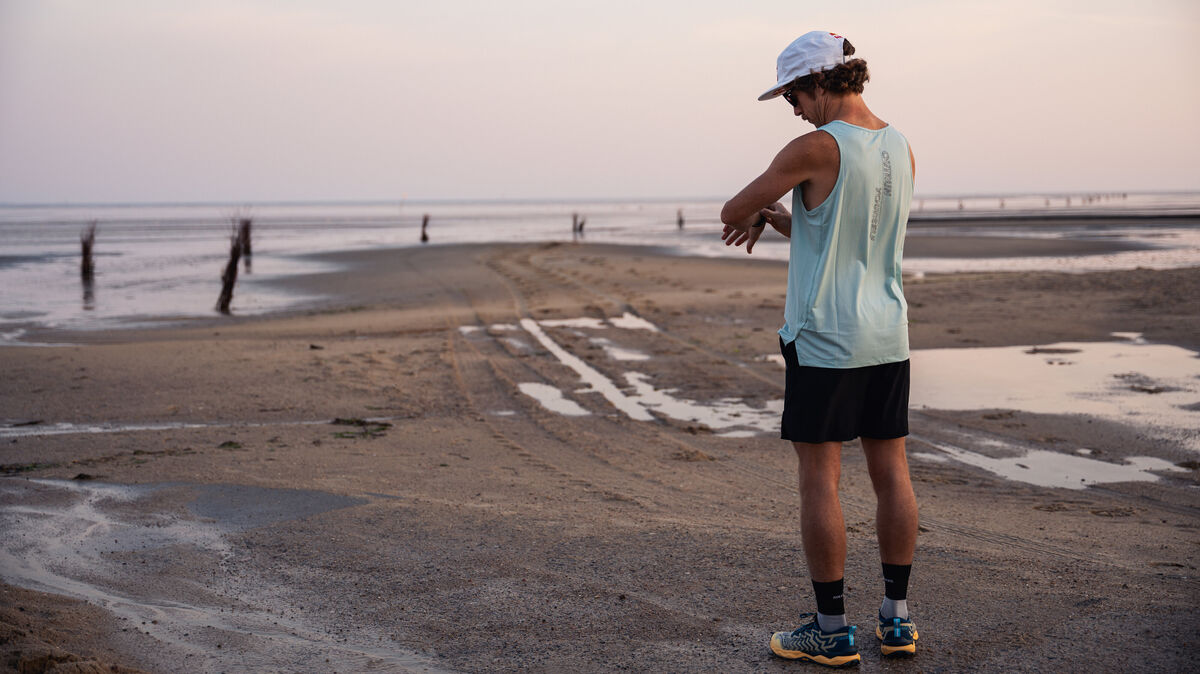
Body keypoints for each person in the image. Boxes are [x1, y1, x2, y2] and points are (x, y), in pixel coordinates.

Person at [719, 31, 919, 666]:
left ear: (821, 84)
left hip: (826, 340)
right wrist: (786, 220)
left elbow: (731, 207)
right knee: (893, 475)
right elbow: (850, 230)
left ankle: (831, 629)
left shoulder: (815, 147)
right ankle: (897, 620)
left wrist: (756, 212)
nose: (794, 109)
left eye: (794, 96)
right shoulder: (899, 146)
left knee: (820, 479)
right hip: (886, 332)